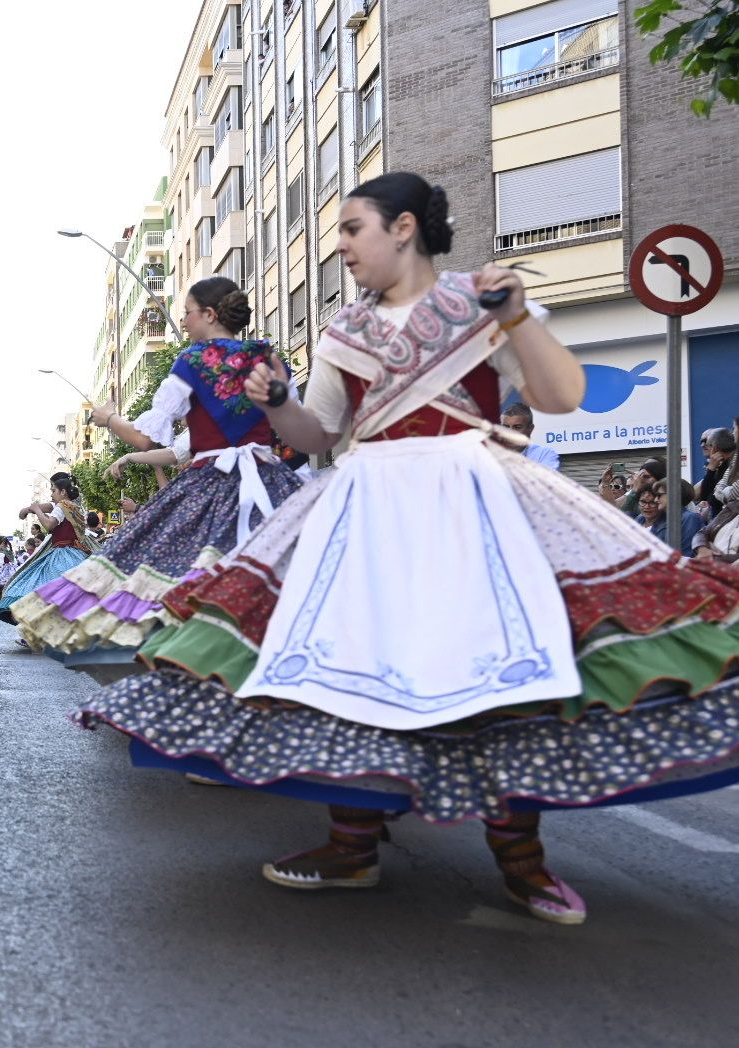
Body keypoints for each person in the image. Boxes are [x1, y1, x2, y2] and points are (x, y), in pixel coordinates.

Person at [75, 172, 739, 927]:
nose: (343, 248)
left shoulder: (480, 302)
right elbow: (318, 439)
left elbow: (560, 395)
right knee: (349, 661)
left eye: (354, 229)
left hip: (477, 502)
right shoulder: (345, 331)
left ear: (403, 228)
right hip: (368, 504)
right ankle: (351, 841)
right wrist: (279, 404)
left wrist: (519, 317)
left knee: (502, 667)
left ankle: (522, 859)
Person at [11, 276, 303, 659]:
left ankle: (198, 657)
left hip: (212, 485)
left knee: (164, 565)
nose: (183, 322)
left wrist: (110, 418)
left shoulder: (194, 361)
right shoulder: (268, 358)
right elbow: (292, 424)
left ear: (210, 315)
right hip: (272, 484)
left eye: (188, 313)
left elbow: (146, 439)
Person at [0, 472, 97, 624]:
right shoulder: (75, 506)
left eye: (53, 490)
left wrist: (36, 509)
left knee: (38, 588)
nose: (51, 494)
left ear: (62, 491)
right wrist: (31, 509)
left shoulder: (61, 506)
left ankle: (39, 629)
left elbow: (49, 525)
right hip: (77, 554)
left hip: (61, 555)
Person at [636, 478, 704, 557]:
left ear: (673, 495)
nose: (656, 499)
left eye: (659, 495)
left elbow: (687, 555)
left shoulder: (690, 518)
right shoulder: (661, 520)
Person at [500, 401, 559, 470]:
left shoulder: (544, 454)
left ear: (530, 429)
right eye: (505, 427)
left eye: (517, 427)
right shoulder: (490, 456)